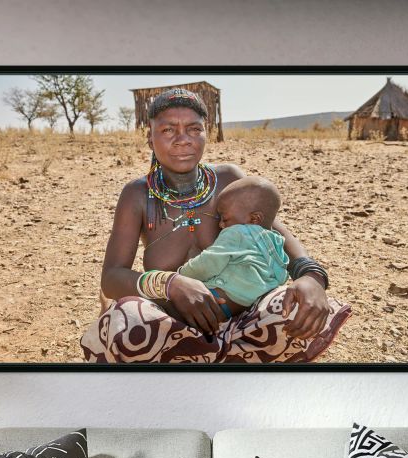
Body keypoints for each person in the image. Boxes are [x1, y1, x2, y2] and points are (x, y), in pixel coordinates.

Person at [80, 87, 350, 364]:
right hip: (169, 323)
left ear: (206, 133)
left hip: (243, 318)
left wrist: (311, 277)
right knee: (127, 320)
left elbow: (274, 231)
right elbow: (112, 277)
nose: (182, 140)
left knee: (295, 308)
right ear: (150, 137)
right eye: (168, 130)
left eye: (194, 128)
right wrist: (171, 283)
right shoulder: (137, 195)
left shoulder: (228, 178)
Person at [159, 175, 288, 319]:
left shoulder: (237, 232)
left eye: (225, 218)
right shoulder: (276, 241)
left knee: (160, 305)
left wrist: (181, 275)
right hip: (248, 306)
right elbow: (282, 275)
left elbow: (209, 262)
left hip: (219, 300)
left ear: (254, 219)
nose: (220, 224)